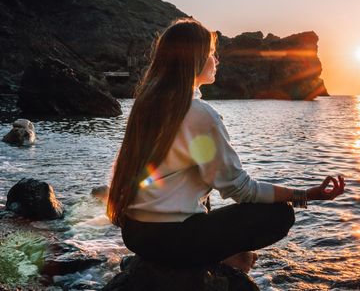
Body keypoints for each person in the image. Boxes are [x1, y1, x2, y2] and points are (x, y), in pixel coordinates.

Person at [106, 18, 345, 273]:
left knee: (202, 187)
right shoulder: (198, 114)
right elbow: (240, 189)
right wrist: (305, 195)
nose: (216, 60)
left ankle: (220, 258)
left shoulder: (148, 104)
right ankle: (221, 263)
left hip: (135, 233)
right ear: (194, 59)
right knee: (280, 215)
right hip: (169, 239)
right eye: (211, 53)